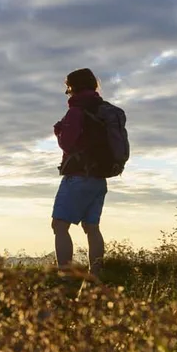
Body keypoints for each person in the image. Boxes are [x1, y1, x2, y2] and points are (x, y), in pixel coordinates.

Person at [53, 67, 108, 278]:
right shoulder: (102, 110)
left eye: (68, 88)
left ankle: (65, 275)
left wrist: (59, 131)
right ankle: (96, 273)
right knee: (92, 227)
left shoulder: (76, 111)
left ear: (74, 87)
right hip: (99, 177)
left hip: (77, 176)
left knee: (59, 225)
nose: (68, 93)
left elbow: (67, 142)